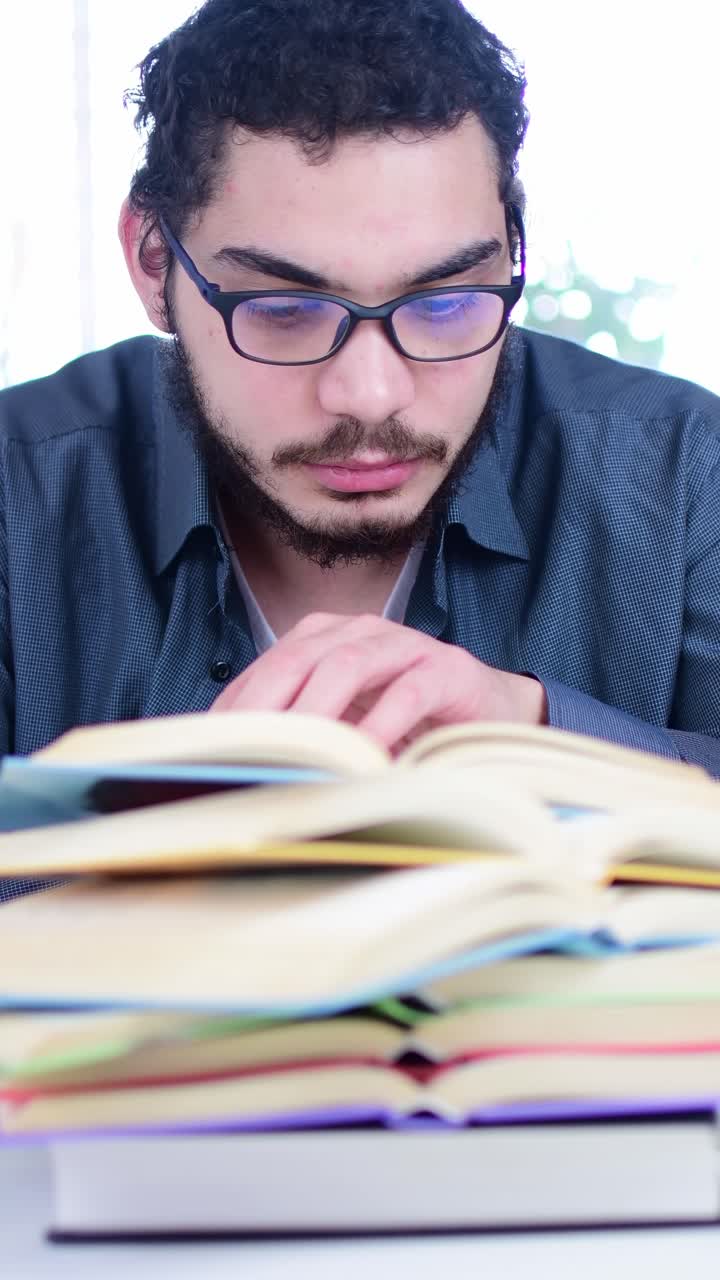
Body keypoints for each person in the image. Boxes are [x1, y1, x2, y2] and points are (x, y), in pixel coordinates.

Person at [1, 0, 720, 903]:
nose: (371, 395)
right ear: (154, 262)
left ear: (510, 254)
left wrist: (534, 729)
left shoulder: (686, 473)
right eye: (285, 310)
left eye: (447, 301)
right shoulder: (15, 494)